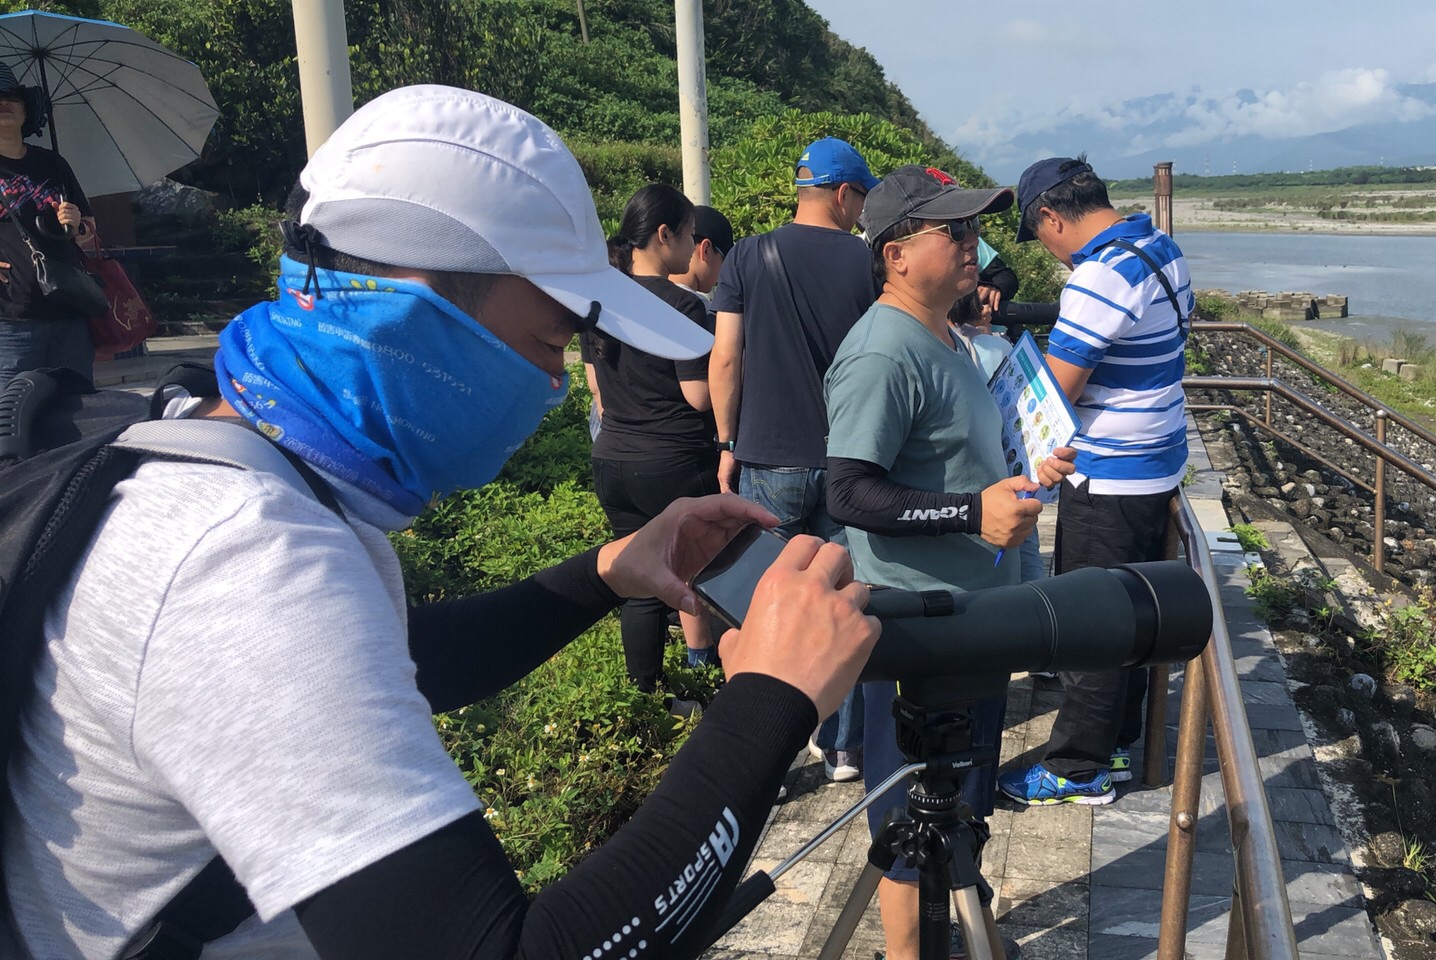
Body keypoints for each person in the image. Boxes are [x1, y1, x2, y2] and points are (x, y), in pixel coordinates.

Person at [1, 85, 880, 959]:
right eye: (549, 342)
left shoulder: (212, 445)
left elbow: (390, 660)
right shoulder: (243, 562)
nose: (552, 386)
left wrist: (608, 571)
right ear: (417, 309)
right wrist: (771, 699)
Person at [824, 165, 1075, 960]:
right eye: (954, 231)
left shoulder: (944, 334)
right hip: (920, 626)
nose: (974, 245)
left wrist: (1024, 470)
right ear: (895, 254)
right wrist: (971, 513)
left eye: (975, 228)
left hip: (971, 616)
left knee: (959, 804)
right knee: (908, 814)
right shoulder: (881, 352)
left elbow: (955, 461)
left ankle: (958, 931)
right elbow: (849, 491)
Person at [997, 156, 1193, 806]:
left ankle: (1077, 768)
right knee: (1133, 612)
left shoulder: (1099, 276)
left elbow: (1060, 389)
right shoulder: (1159, 248)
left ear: (1051, 217)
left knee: (1093, 621)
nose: (1047, 250)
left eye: (1038, 235)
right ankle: (1115, 743)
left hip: (1110, 475)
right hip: (1157, 463)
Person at [709, 136, 879, 782]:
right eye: (860, 199)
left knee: (766, 604)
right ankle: (844, 745)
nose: (860, 212)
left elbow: (726, 358)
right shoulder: (868, 261)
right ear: (844, 194)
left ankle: (768, 753)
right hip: (849, 461)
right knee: (846, 597)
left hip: (767, 458)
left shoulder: (747, 255)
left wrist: (726, 442)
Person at [585, 184, 721, 691]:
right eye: (688, 235)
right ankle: (704, 679)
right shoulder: (682, 304)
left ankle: (644, 697)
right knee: (700, 572)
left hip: (613, 460)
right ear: (663, 235)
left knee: (640, 587)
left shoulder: (600, 298)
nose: (692, 246)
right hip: (673, 463)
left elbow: (597, 388)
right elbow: (698, 397)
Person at [0, 63, 97, 383]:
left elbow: (88, 231)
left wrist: (76, 224)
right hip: (10, 320)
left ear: (27, 110)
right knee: (13, 407)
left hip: (69, 310)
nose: (4, 103)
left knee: (78, 402)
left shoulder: (53, 163)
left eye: (12, 97)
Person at [670, 203, 734, 300]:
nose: (725, 272)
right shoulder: (697, 306)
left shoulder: (648, 295)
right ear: (705, 250)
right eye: (726, 261)